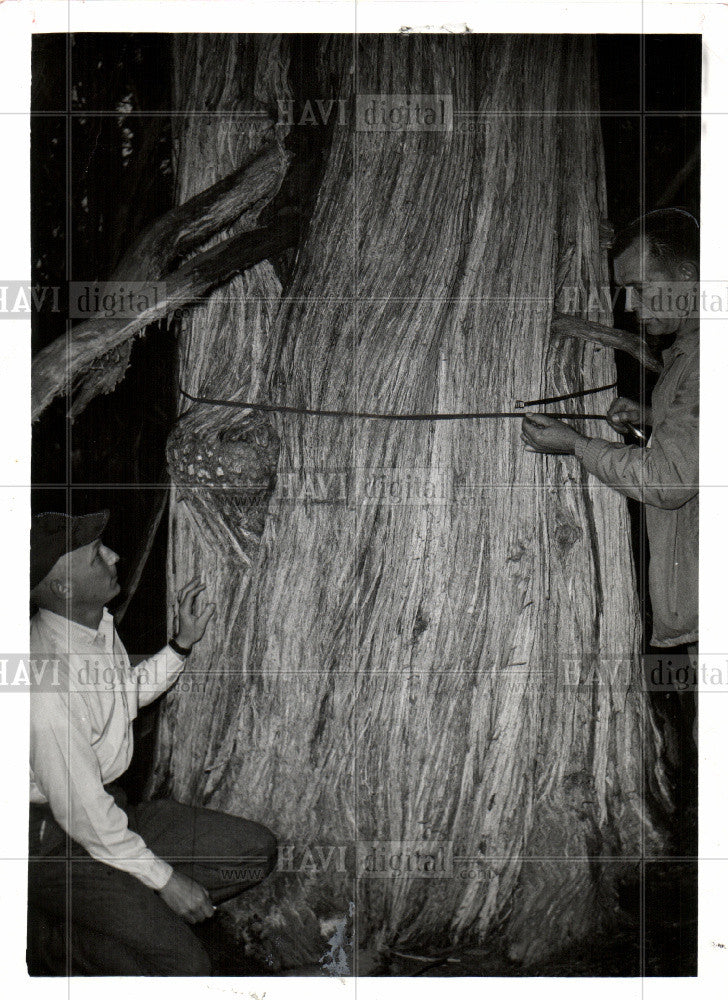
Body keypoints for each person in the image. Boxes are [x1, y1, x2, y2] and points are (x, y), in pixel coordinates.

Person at [28, 509, 277, 976]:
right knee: (183, 968)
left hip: (109, 813)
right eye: (97, 555)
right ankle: (41, 939)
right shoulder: (45, 680)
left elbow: (120, 697)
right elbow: (82, 815)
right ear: (62, 587)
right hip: (54, 845)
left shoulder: (93, 626)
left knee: (253, 851)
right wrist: (167, 880)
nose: (114, 555)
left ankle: (125, 905)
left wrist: (180, 645)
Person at [521, 208, 699, 695]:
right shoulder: (690, 354)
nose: (635, 306)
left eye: (642, 287)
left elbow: (668, 482)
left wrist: (577, 444)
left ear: (686, 275)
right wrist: (651, 419)